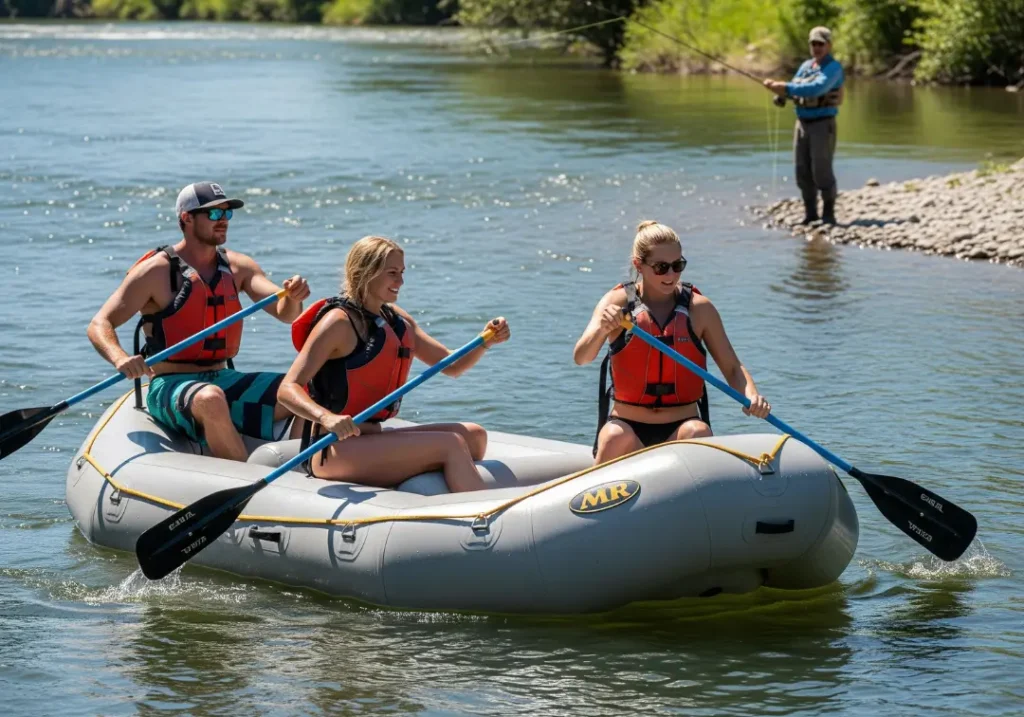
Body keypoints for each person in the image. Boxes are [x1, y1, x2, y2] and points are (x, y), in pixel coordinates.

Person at [87, 181, 310, 461]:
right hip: (169, 384)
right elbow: (99, 324)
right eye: (214, 214)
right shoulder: (155, 272)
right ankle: (249, 484)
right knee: (210, 399)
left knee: (302, 388)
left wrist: (293, 296)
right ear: (187, 218)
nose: (223, 222)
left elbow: (286, 312)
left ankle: (300, 469)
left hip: (223, 377)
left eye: (227, 214)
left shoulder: (238, 266)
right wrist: (120, 358)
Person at [278, 235, 511, 492]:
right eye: (392, 273)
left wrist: (485, 341)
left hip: (372, 436)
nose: (400, 281)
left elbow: (451, 365)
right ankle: (482, 514)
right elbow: (287, 388)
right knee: (451, 444)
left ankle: (422, 473)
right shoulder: (339, 323)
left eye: (401, 272)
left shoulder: (395, 319)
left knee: (475, 437)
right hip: (331, 448)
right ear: (364, 272)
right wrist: (327, 417)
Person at [573, 220, 771, 465]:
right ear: (639, 265)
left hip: (682, 427)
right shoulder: (617, 301)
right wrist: (603, 328)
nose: (671, 275)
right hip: (626, 429)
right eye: (661, 267)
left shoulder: (700, 309)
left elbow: (732, 367)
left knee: (698, 432)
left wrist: (752, 396)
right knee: (614, 436)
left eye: (678, 265)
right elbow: (581, 357)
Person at [763, 26, 845, 225]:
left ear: (829, 46)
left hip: (822, 124)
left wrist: (786, 87)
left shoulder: (833, 68)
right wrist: (781, 95)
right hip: (802, 124)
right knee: (802, 171)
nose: (817, 47)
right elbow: (796, 86)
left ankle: (828, 215)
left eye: (821, 44)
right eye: (813, 44)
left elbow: (817, 88)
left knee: (821, 170)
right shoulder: (806, 66)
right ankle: (810, 215)